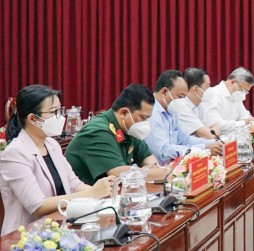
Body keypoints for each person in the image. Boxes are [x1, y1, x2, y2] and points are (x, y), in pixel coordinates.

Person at [0, 85, 113, 234]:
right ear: (33, 118)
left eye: (60, 111)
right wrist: (91, 193)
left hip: (58, 228)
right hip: (24, 237)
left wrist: (104, 193)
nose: (60, 118)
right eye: (54, 112)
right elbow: (37, 205)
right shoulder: (15, 153)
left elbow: (73, 184)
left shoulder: (51, 144)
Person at [66, 84, 169, 184]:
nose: (145, 123)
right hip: (82, 193)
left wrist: (153, 168)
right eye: (143, 117)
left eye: (148, 118)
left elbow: (147, 157)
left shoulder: (129, 128)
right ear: (123, 113)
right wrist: (162, 173)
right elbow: (118, 173)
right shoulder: (98, 131)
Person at [144, 70, 223, 164]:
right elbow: (163, 151)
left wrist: (212, 143)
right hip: (160, 169)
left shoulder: (171, 111)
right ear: (165, 92)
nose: (182, 102)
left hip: (175, 165)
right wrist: (204, 148)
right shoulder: (151, 113)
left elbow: (184, 139)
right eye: (180, 96)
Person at [202, 67, 254, 133]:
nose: (243, 94)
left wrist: (251, 121)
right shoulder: (213, 94)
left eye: (246, 92)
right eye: (242, 90)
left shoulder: (236, 95)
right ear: (232, 82)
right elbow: (215, 124)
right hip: (215, 137)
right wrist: (243, 123)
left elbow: (245, 115)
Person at [176, 67, 220, 139]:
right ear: (196, 89)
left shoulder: (199, 104)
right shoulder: (182, 106)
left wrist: (210, 132)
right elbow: (209, 135)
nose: (210, 89)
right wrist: (209, 132)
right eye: (207, 86)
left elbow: (215, 128)